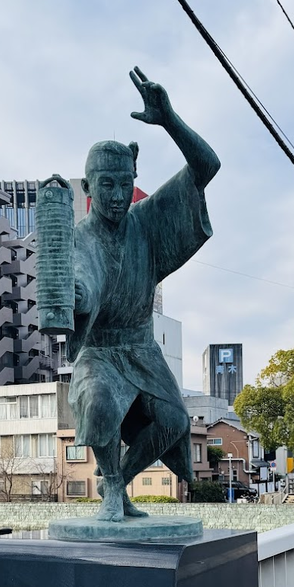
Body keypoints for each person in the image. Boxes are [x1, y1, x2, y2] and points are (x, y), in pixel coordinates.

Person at [66, 68, 220, 523]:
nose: (116, 194)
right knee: (100, 403)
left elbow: (206, 167)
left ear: (133, 175)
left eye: (123, 182)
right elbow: (84, 280)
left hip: (142, 347)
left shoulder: (147, 221)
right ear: (87, 187)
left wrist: (168, 118)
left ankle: (116, 481)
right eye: (105, 184)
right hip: (101, 351)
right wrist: (76, 295)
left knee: (173, 423)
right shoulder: (79, 239)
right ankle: (113, 488)